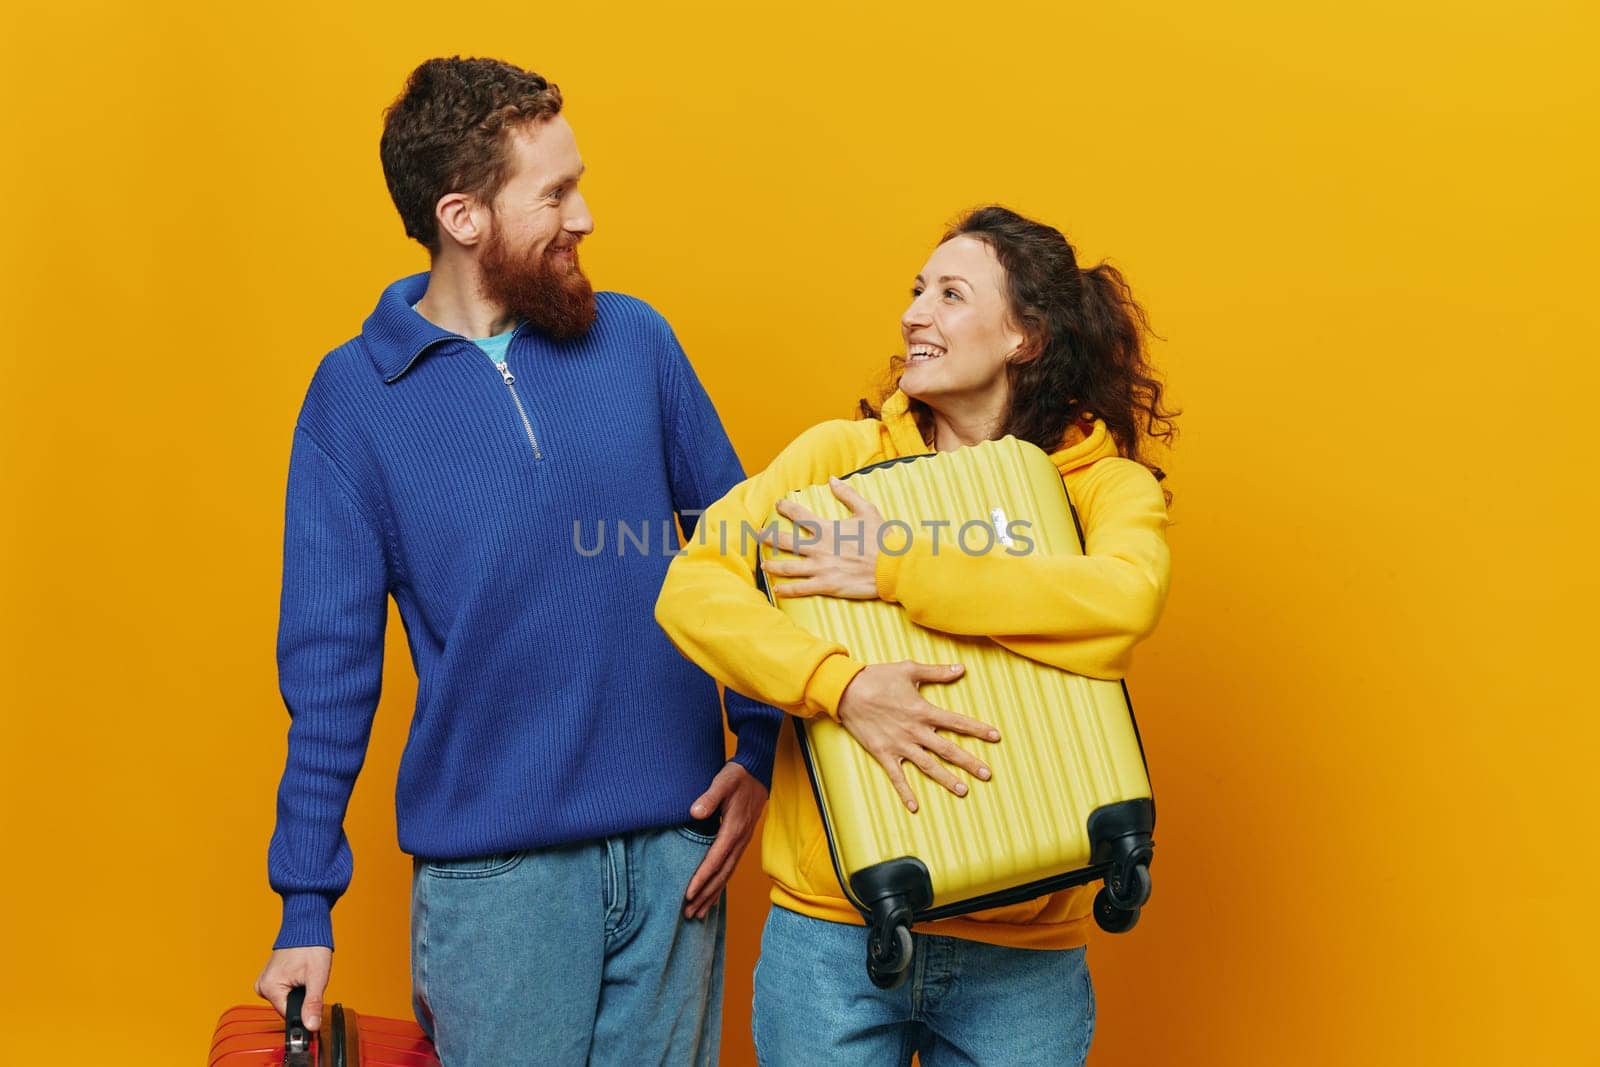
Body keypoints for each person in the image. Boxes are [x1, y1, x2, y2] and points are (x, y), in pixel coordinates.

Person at [252, 56, 779, 1066]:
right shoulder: (353, 399)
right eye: (556, 193)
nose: (584, 216)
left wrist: (757, 744)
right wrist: (304, 903)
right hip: (496, 889)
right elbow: (328, 669)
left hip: (677, 854)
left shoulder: (635, 341)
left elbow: (737, 545)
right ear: (463, 216)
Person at [654, 205, 1177, 1066]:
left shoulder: (1101, 487)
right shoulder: (837, 458)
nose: (914, 313)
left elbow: (1122, 599)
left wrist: (898, 568)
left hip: (1025, 959)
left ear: (1025, 337)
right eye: (915, 290)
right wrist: (841, 687)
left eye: (950, 293)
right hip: (834, 938)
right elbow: (694, 584)